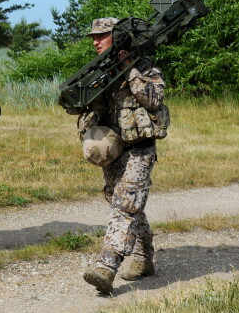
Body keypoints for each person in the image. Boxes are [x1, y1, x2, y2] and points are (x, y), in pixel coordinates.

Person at [76, 17, 167, 294]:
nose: (95, 41)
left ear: (119, 38)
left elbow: (153, 100)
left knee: (125, 204)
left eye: (101, 36)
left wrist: (129, 69)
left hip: (140, 149)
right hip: (114, 151)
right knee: (126, 203)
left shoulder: (145, 67)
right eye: (93, 36)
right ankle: (143, 257)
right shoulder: (101, 72)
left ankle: (106, 265)